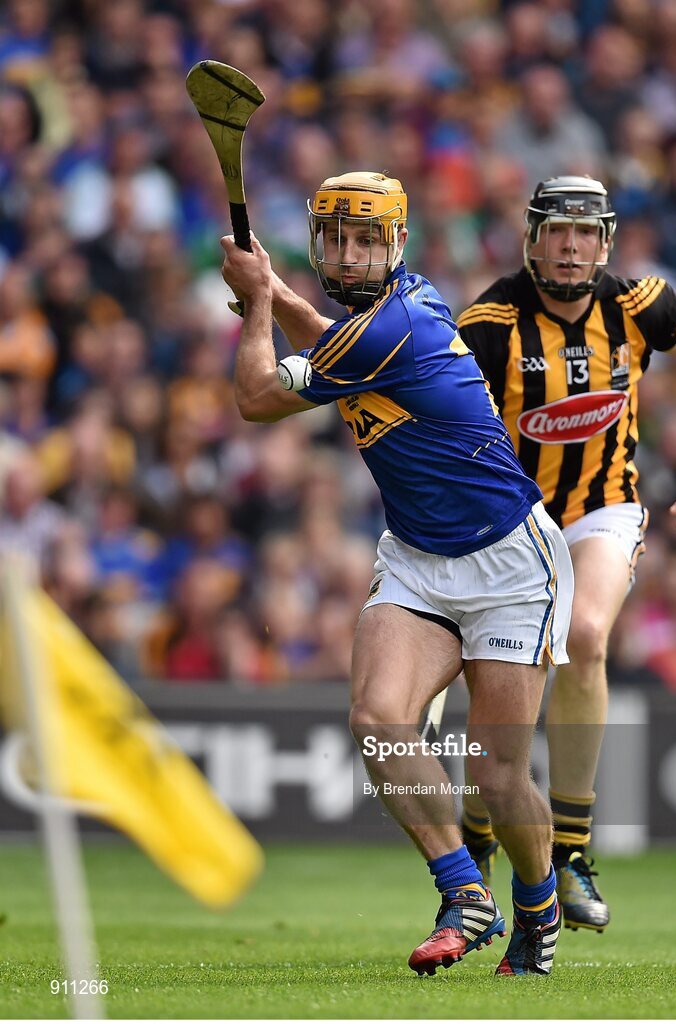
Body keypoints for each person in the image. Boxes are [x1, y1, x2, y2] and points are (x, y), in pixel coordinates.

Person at [220, 171, 575, 977]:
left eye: (365, 240)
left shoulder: (400, 323)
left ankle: (538, 904)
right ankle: (462, 891)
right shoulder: (372, 327)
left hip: (511, 565)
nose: (346, 255)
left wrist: (257, 301)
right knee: (378, 716)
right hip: (417, 560)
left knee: (496, 774)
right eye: (335, 238)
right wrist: (267, 284)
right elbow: (324, 344)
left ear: (399, 245)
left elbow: (254, 395)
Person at [456, 176, 676, 931]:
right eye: (556, 231)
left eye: (585, 233)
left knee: (584, 638)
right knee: (501, 691)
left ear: (606, 241)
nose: (571, 246)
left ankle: (571, 853)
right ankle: (478, 839)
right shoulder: (488, 322)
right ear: (531, 239)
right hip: (511, 523)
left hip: (602, 508)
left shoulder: (640, 305)